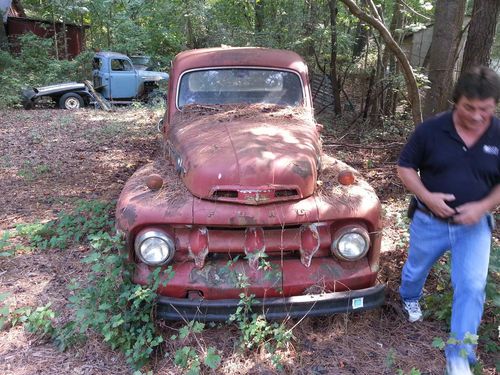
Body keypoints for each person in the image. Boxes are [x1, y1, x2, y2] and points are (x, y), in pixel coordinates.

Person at [397, 66, 500, 375]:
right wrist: (428, 198)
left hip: (474, 227)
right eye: (470, 107)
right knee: (416, 269)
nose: (478, 115)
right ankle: (410, 297)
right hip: (429, 221)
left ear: (494, 105)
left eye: (486, 109)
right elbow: (404, 168)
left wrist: (482, 206)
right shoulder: (431, 130)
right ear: (457, 101)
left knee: (471, 285)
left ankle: (459, 355)